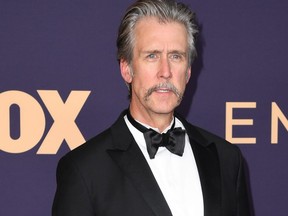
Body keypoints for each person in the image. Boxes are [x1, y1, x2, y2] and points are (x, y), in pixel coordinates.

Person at [52, 0, 251, 215]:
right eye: (152, 56)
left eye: (176, 56)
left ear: (188, 72)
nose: (165, 71)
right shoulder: (84, 170)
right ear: (126, 69)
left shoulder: (227, 159)